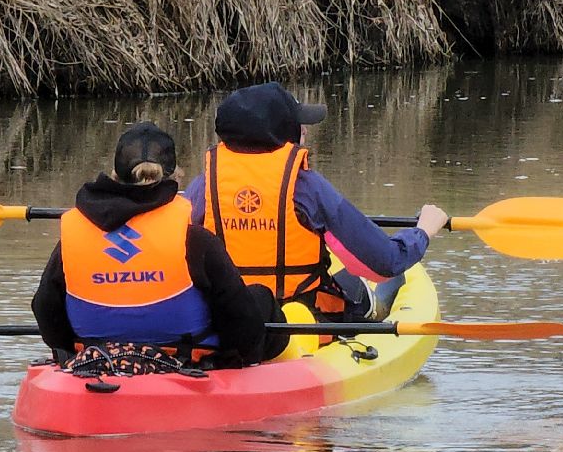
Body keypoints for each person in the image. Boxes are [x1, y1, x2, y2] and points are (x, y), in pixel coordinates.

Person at [184, 82, 448, 320]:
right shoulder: (307, 187)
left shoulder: (203, 186)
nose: (306, 132)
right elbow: (386, 264)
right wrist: (423, 231)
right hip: (299, 323)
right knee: (367, 284)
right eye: (300, 126)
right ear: (282, 133)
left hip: (226, 320)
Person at [32, 122, 288, 368]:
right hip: (186, 360)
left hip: (97, 358)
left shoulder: (73, 235)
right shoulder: (196, 240)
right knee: (260, 298)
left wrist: (71, 349)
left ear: (114, 175)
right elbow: (243, 324)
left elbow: (44, 308)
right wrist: (232, 359)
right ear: (175, 176)